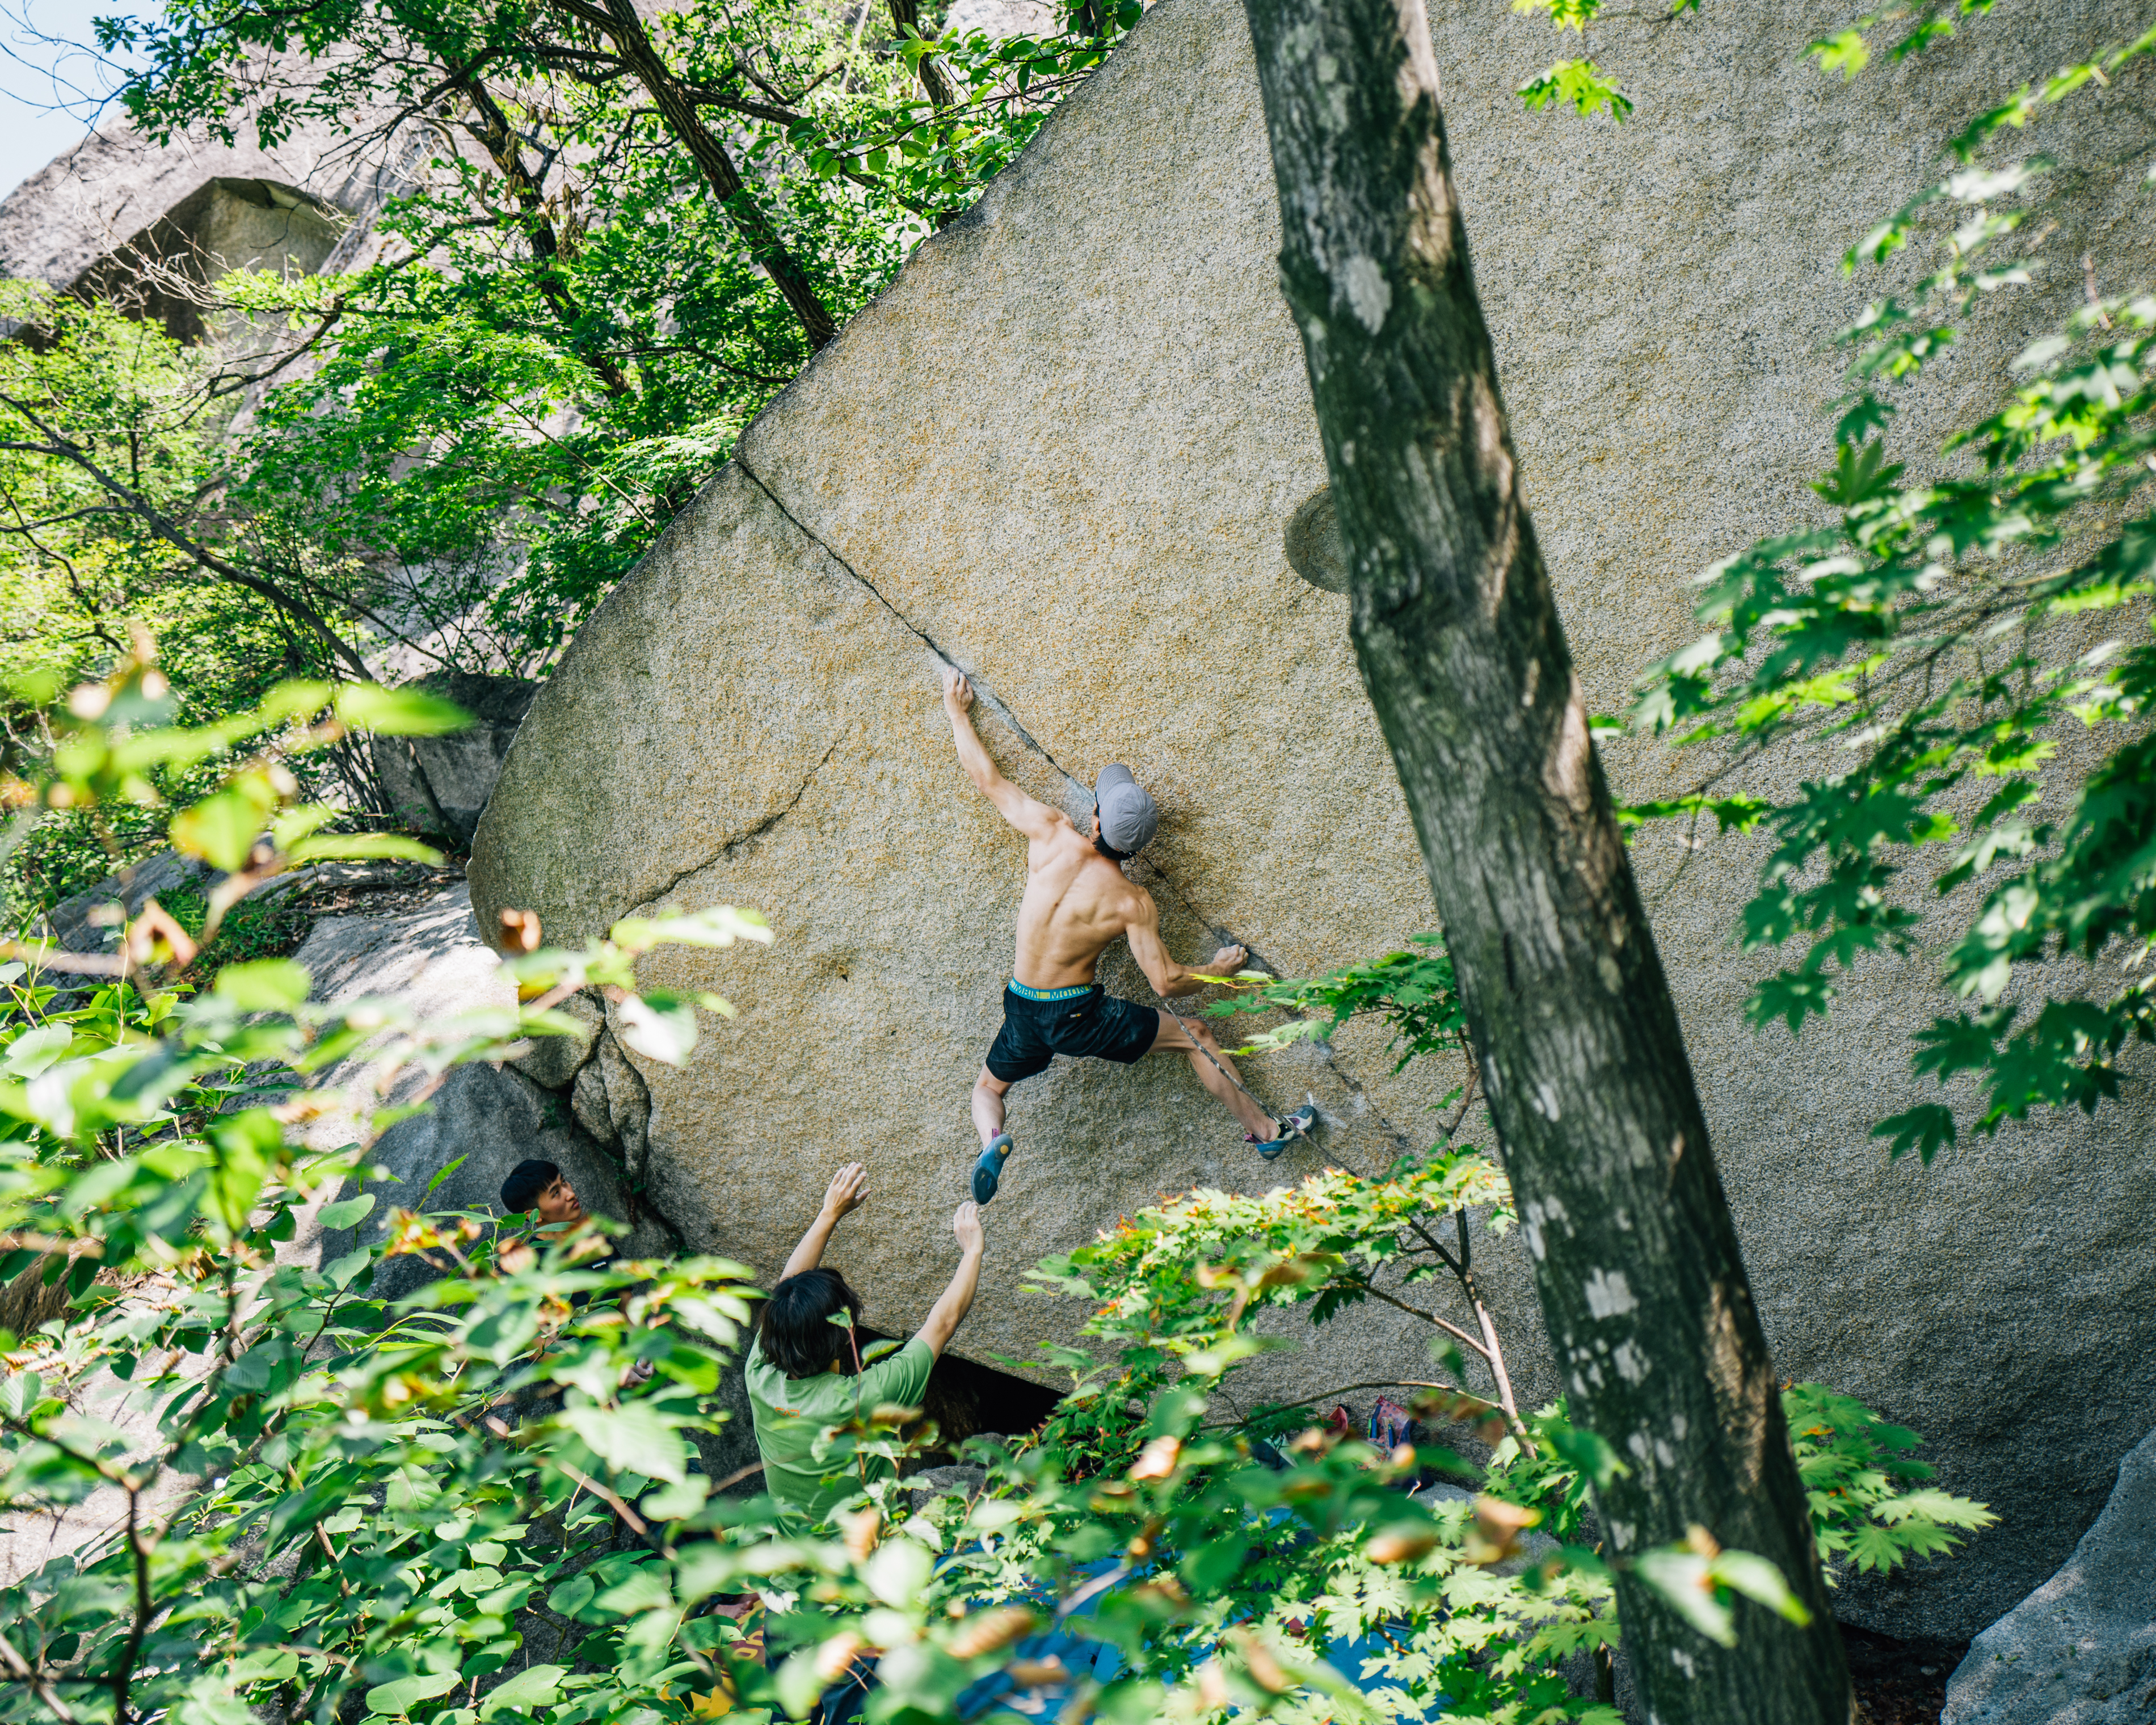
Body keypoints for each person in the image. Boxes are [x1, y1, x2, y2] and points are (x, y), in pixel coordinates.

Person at [941, 667, 1316, 1204]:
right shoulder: (1132, 903)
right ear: (1135, 850)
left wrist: (958, 712)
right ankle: (1267, 1134)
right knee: (1199, 1036)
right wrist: (1220, 971)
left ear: (1094, 817)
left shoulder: (1049, 835)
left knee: (988, 1087)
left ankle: (992, 1137)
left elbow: (987, 779)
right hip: (1076, 1015)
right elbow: (1166, 981)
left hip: (1021, 1005)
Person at [744, 1163, 985, 1528]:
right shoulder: (859, 1400)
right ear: (846, 1336)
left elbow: (786, 1295)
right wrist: (972, 1251)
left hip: (789, 1575)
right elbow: (943, 1325)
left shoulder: (760, 1375)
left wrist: (829, 1214)